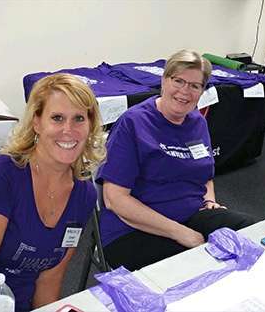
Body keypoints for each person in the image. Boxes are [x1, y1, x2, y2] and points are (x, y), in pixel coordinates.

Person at [97, 49, 254, 271]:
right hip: (132, 230)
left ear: (202, 91)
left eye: (194, 86)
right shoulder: (133, 123)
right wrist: (180, 233)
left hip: (191, 216)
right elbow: (115, 199)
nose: (185, 91)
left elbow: (205, 176)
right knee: (203, 267)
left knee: (253, 232)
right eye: (178, 81)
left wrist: (209, 201)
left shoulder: (197, 121)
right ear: (163, 80)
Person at [0, 73, 106, 311]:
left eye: (78, 119)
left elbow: (50, 279)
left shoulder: (84, 195)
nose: (68, 130)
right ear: (36, 122)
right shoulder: (1, 176)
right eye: (57, 118)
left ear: (90, 125)